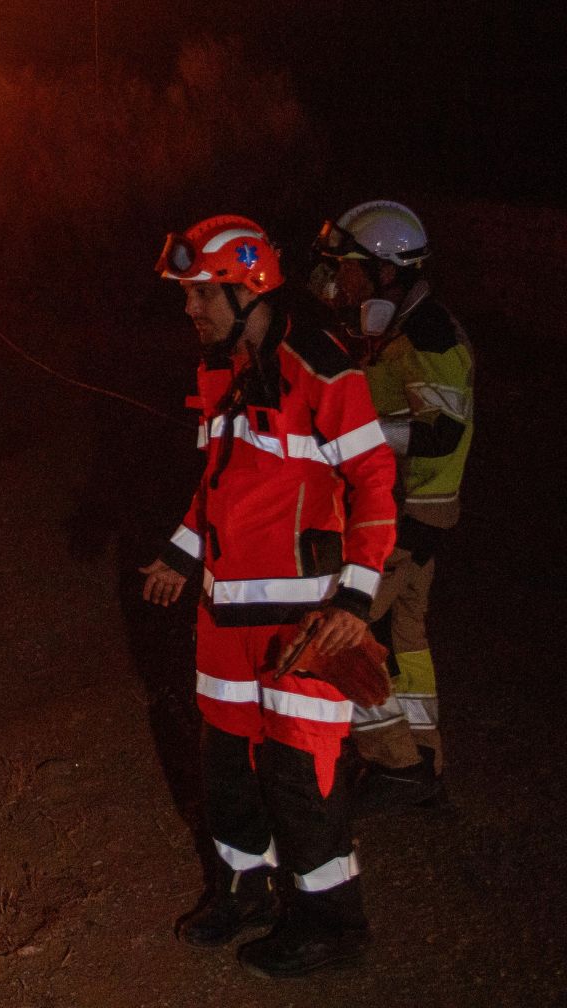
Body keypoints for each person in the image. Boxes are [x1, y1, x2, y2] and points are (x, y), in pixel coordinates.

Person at [140, 214, 396, 978]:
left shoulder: (319, 367)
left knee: (300, 778)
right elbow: (219, 486)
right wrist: (179, 557)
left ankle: (332, 923)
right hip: (224, 621)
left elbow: (375, 479)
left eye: (200, 297)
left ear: (248, 290)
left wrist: (354, 601)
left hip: (304, 623)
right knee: (225, 768)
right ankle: (244, 889)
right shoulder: (227, 370)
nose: (190, 312)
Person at [312, 200, 473, 812]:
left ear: (384, 272)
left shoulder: (427, 337)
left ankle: (394, 761)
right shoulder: (401, 330)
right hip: (419, 518)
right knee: (405, 640)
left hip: (407, 519)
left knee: (343, 636)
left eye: (345, 266)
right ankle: (424, 761)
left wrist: (356, 438)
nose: (336, 279)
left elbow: (443, 432)